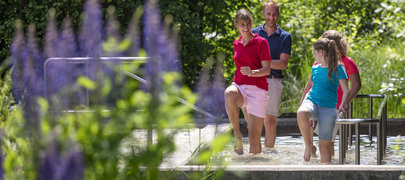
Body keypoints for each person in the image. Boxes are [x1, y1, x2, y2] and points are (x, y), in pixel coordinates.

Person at [300, 30, 362, 157]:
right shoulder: (318, 62)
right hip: (317, 103)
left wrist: (345, 103)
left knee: (329, 141)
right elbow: (311, 85)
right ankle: (319, 160)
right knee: (324, 141)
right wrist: (304, 103)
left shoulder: (346, 62)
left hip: (334, 106)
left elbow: (356, 85)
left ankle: (332, 166)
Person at [224, 9, 271, 155]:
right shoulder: (236, 43)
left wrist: (252, 72)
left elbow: (267, 69)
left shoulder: (261, 42)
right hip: (240, 87)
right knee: (229, 93)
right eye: (242, 24)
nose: (246, 27)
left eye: (248, 23)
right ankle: (237, 134)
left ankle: (255, 169)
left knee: (254, 138)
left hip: (258, 90)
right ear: (236, 25)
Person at [297, 38, 349, 163]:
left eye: (314, 51)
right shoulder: (315, 68)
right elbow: (308, 86)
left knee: (324, 148)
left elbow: (346, 90)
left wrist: (342, 105)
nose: (313, 54)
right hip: (312, 101)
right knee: (301, 113)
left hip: (328, 108)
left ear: (320, 52)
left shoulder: (338, 69)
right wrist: (303, 100)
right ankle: (308, 145)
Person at [251, 0, 292, 149]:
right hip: (254, 81)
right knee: (254, 121)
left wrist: (262, 63)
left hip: (274, 81)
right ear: (263, 14)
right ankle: (255, 154)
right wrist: (266, 64)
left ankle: (268, 156)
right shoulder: (253, 33)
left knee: (270, 121)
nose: (271, 17)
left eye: (274, 14)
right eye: (268, 13)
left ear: (278, 15)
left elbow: (282, 64)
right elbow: (249, 60)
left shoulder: (285, 36)